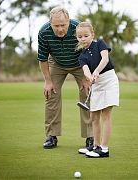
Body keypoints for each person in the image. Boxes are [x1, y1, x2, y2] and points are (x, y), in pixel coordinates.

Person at [37, 6, 93, 149]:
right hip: (56, 63)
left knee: (87, 93)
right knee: (51, 94)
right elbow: (42, 59)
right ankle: (51, 136)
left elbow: (88, 51)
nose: (60, 29)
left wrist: (86, 77)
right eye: (56, 26)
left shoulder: (77, 27)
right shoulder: (44, 32)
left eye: (63, 25)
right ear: (50, 23)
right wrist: (48, 81)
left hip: (80, 63)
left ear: (69, 21)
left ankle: (91, 136)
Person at [76, 22, 119, 158]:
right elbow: (86, 71)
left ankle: (104, 149)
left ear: (92, 35)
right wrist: (90, 77)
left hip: (108, 81)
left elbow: (105, 59)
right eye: (80, 36)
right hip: (97, 84)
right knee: (94, 116)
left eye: (86, 35)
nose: (83, 38)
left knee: (106, 115)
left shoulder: (100, 43)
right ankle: (96, 146)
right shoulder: (81, 56)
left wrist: (96, 71)